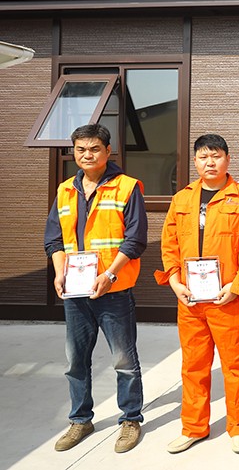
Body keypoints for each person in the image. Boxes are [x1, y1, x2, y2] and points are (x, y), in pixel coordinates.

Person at [44, 123, 147, 454]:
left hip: (113, 291)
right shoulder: (65, 191)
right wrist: (59, 273)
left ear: (108, 151)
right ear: (73, 152)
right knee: (75, 361)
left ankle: (130, 419)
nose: (87, 155)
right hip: (76, 292)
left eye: (94, 149)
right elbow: (54, 239)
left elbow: (135, 240)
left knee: (123, 361)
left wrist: (110, 275)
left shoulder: (126, 187)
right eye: (80, 149)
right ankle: (80, 419)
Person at [156, 134, 239, 455]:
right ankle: (193, 426)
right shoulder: (182, 199)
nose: (210, 162)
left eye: (216, 156)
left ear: (228, 159)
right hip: (190, 299)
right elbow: (169, 244)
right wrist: (175, 281)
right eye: (203, 157)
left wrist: (237, 286)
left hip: (227, 298)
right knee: (193, 366)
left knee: (237, 364)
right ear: (195, 161)